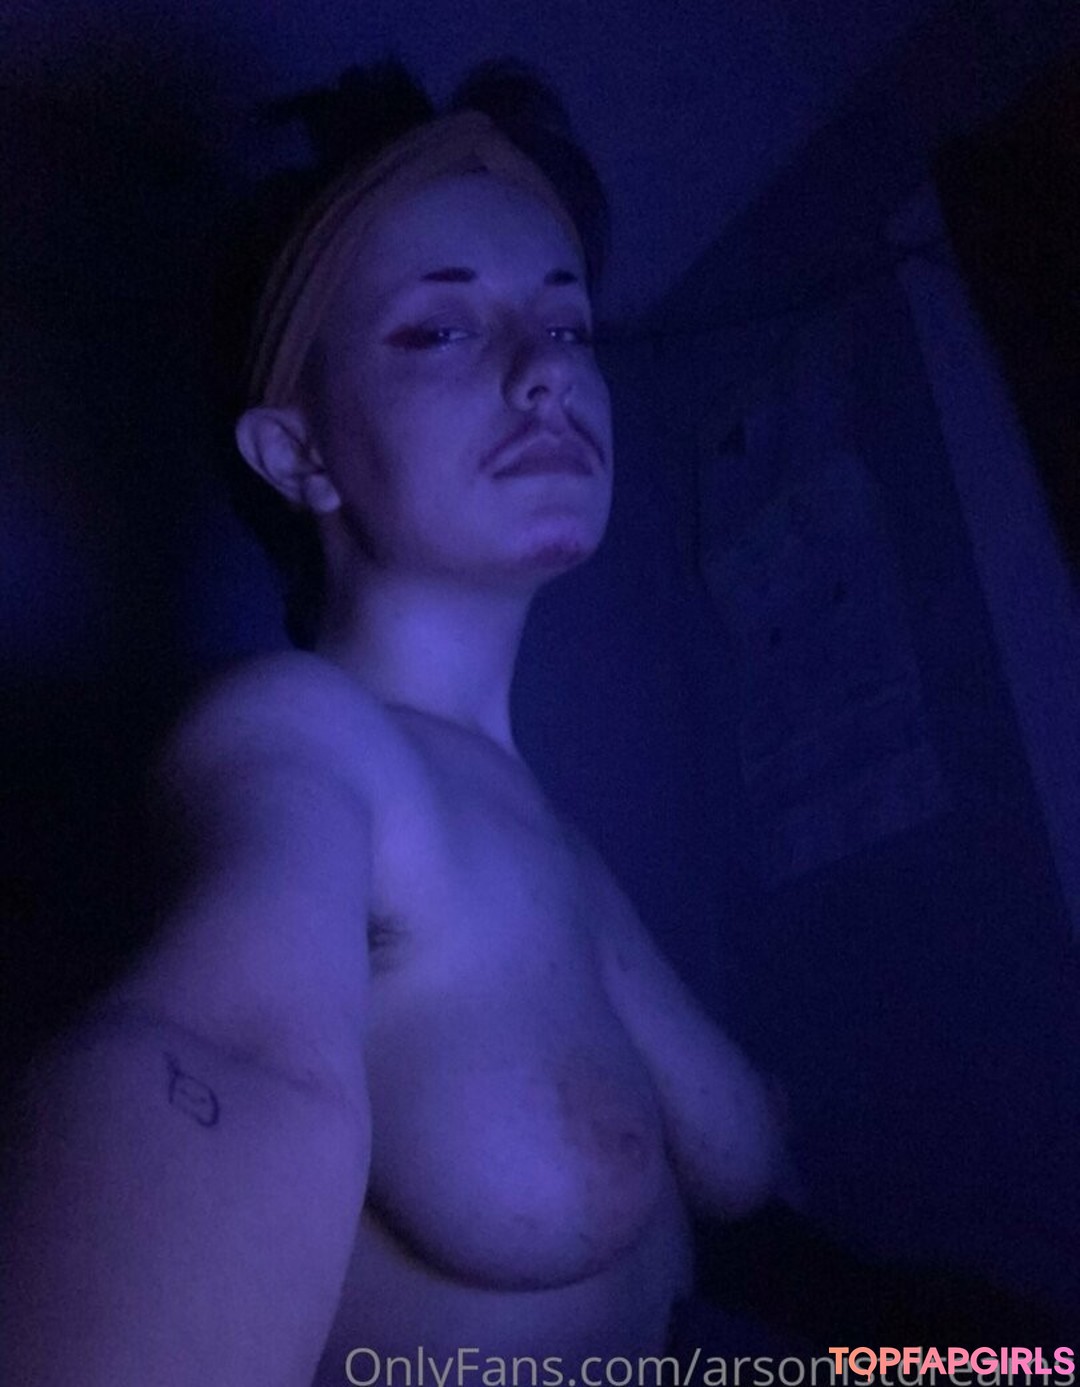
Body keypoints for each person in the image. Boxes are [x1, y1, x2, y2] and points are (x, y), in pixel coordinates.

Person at [0, 59, 783, 1384]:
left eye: (569, 326)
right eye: (440, 331)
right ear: (298, 453)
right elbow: (219, 1056)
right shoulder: (302, 743)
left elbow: (748, 1169)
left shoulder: (563, 844)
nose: (547, 375)